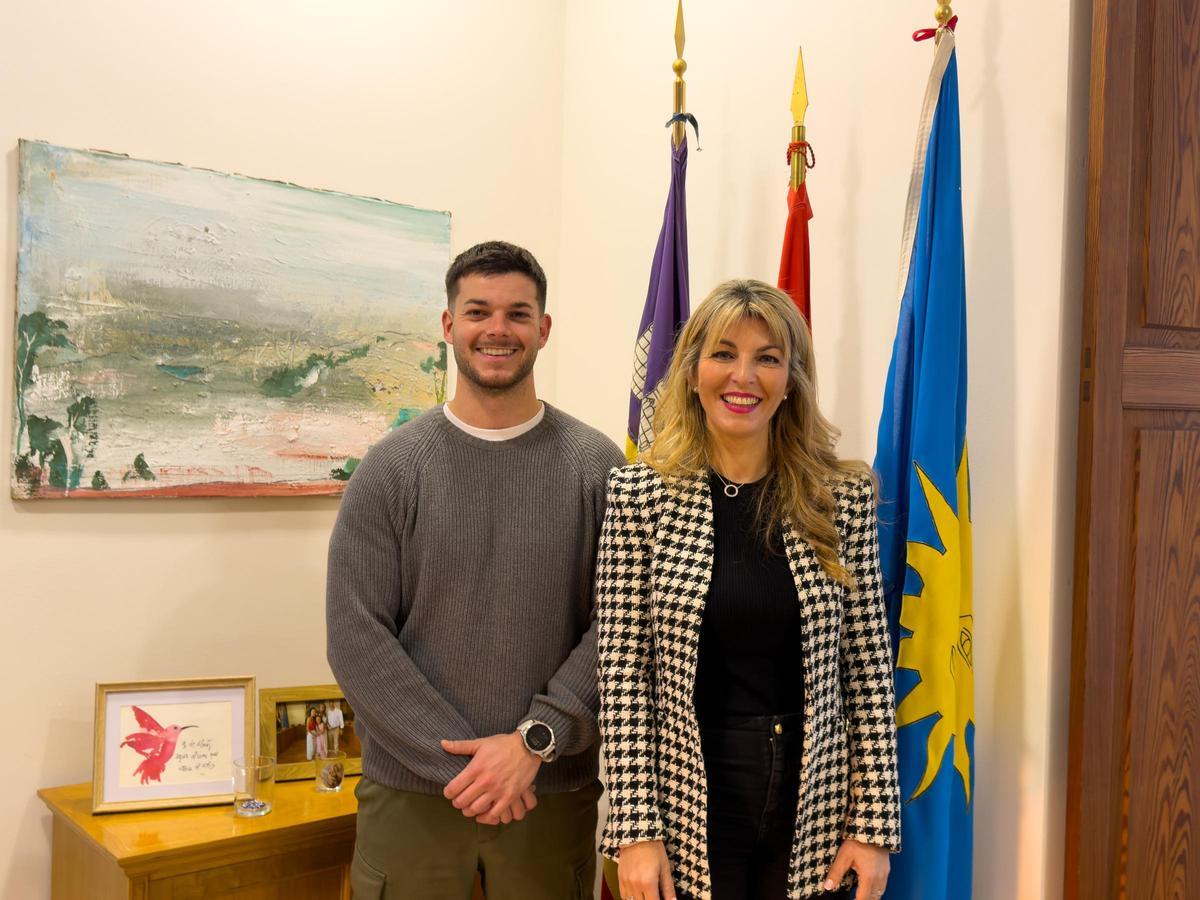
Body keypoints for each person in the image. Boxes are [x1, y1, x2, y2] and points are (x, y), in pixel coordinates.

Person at [327, 240, 625, 899]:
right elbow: (357, 638)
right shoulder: (389, 470)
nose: (497, 330)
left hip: (549, 795)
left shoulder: (598, 468)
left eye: (518, 314)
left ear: (543, 329)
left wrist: (532, 743)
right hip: (412, 799)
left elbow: (625, 627)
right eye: (478, 311)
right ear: (448, 325)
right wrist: (470, 769)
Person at [597, 280, 901, 900]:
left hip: (812, 797)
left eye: (768, 358)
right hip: (688, 795)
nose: (744, 376)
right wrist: (635, 831)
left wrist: (872, 826)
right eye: (723, 353)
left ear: (791, 380)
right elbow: (624, 675)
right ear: (691, 373)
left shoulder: (842, 498)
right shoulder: (639, 496)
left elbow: (867, 668)